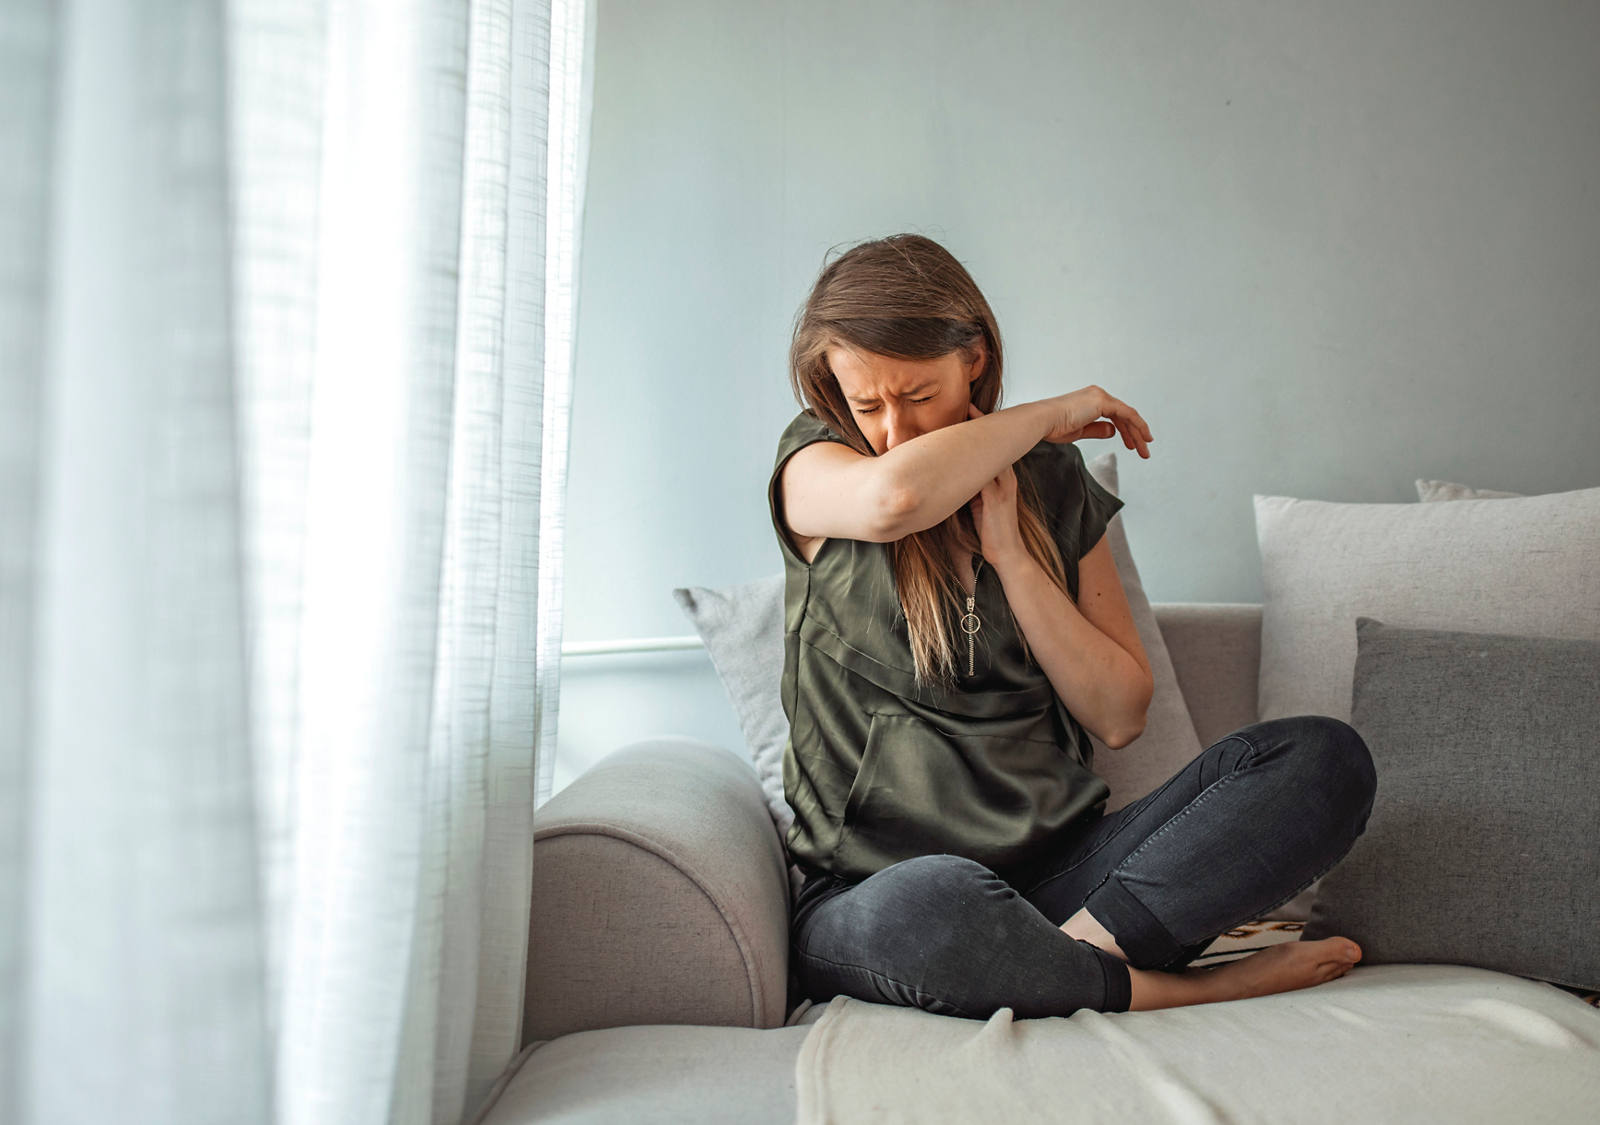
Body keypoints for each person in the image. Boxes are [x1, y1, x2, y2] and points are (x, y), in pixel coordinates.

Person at [769, 233, 1377, 1019]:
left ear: (975, 359)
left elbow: (1120, 714)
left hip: (1071, 882)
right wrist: (1053, 412)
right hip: (877, 895)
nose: (896, 431)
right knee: (933, 899)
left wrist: (1014, 559)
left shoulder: (1053, 482)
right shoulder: (817, 466)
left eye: (919, 396)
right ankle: (1179, 986)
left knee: (1324, 760)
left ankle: (1048, 965)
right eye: (868, 404)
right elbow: (896, 499)